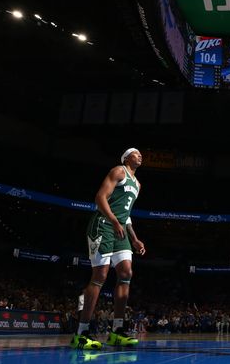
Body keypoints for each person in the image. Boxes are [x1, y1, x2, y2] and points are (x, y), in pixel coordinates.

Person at [71, 148, 146, 349]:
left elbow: (126, 214)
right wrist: (113, 220)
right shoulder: (118, 171)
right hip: (103, 223)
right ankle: (82, 332)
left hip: (120, 228)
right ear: (126, 157)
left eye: (140, 154)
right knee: (101, 275)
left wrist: (135, 239)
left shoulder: (138, 184)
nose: (140, 155)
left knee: (126, 272)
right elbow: (100, 198)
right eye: (135, 153)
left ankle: (118, 331)